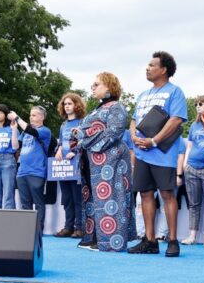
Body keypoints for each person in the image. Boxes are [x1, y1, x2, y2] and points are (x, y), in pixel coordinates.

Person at [128, 51, 188, 258]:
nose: (147, 68)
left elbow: (176, 120)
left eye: (152, 65)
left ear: (163, 69)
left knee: (167, 195)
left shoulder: (175, 92)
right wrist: (134, 137)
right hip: (142, 154)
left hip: (163, 154)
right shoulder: (143, 95)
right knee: (145, 194)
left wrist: (154, 140)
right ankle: (150, 241)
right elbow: (134, 119)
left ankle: (172, 240)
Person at [74, 72, 135, 252]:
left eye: (97, 84)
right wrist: (78, 137)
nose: (92, 88)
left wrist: (84, 137)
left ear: (109, 87)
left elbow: (114, 131)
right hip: (92, 160)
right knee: (94, 198)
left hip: (110, 159)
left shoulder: (116, 107)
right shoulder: (97, 110)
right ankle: (94, 237)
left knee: (111, 198)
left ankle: (110, 242)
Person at [9, 106, 52, 234]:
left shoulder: (45, 131)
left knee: (38, 202)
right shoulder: (24, 132)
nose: (31, 117)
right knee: (25, 204)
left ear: (42, 117)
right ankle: (27, 232)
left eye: (34, 115)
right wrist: (14, 130)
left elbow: (29, 129)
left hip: (37, 172)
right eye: (30, 115)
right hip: (22, 172)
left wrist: (17, 117)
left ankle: (38, 230)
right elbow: (15, 146)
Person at [182, 96, 204, 244]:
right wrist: (185, 164)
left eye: (201, 104)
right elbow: (189, 146)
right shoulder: (194, 125)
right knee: (194, 204)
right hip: (191, 167)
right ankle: (192, 236)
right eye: (196, 104)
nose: (197, 106)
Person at [54, 93, 87, 238]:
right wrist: (59, 150)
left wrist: (75, 151)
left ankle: (79, 228)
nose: (67, 106)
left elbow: (85, 141)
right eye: (65, 104)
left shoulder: (82, 122)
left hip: (77, 164)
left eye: (70, 104)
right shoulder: (63, 125)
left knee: (77, 197)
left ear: (76, 105)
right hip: (64, 166)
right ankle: (68, 227)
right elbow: (61, 142)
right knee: (66, 198)